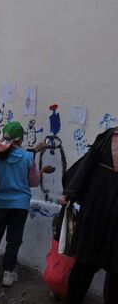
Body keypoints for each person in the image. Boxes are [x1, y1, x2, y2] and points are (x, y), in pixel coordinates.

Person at [0, 121, 54, 286]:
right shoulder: (27, 157)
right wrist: (41, 172)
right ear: (20, 139)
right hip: (20, 205)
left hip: (1, 203)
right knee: (14, 239)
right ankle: (8, 273)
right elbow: (33, 181)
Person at [61, 127, 118, 303]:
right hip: (97, 212)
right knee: (85, 262)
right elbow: (86, 165)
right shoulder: (108, 136)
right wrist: (70, 191)